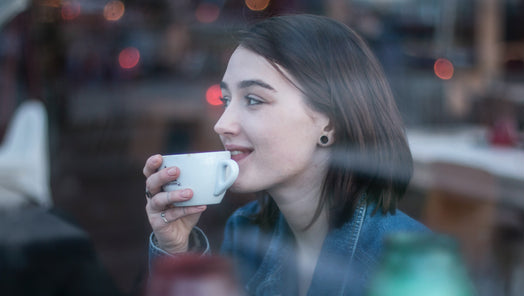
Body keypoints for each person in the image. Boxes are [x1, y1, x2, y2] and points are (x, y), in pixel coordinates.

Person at [143, 14, 429, 295]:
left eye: (253, 100)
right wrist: (177, 253)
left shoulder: (408, 262)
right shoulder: (246, 231)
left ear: (329, 121)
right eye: (225, 100)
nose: (222, 124)